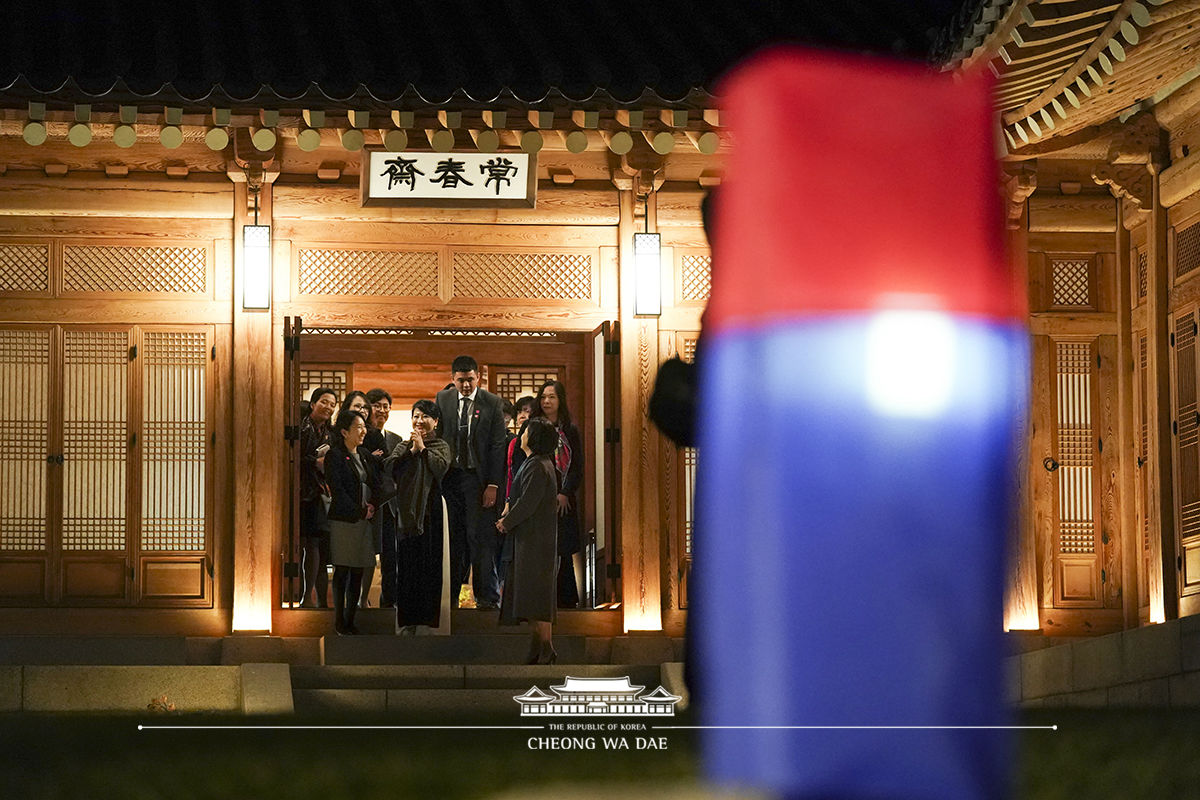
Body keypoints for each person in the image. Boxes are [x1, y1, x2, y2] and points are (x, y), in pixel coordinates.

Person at [436, 355, 507, 609]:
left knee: (479, 537)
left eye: (470, 380)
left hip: (478, 479)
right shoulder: (443, 399)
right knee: (453, 538)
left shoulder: (491, 402)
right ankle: (450, 597)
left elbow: (498, 446)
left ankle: (486, 597)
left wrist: (493, 484)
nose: (466, 385)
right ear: (452, 379)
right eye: (460, 380)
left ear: (479, 377)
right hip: (450, 478)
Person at [496, 417, 561, 664]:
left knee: (537, 595)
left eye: (527, 431)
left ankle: (546, 648)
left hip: (535, 540)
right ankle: (538, 647)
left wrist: (506, 521)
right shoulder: (539, 463)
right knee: (533, 595)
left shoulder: (537, 465)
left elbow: (528, 503)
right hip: (533, 538)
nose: (522, 434)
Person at [387, 399, 452, 634]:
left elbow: (440, 467)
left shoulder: (440, 445)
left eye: (425, 416)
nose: (419, 420)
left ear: (435, 421)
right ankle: (408, 622)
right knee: (407, 566)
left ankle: (429, 622)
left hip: (431, 510)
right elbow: (390, 468)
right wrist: (411, 451)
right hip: (406, 513)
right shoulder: (403, 446)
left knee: (430, 564)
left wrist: (423, 449)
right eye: (416, 416)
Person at [530, 379, 583, 608]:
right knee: (539, 551)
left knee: (563, 549)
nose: (547, 401)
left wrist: (565, 492)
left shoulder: (570, 430)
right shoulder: (532, 427)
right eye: (543, 397)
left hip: (563, 500)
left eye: (551, 396)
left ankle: (567, 602)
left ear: (560, 400)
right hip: (539, 498)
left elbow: (577, 466)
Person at [325, 409, 377, 635]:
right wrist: (359, 510)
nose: (363, 431)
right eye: (358, 427)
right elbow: (338, 490)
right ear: (345, 432)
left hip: (364, 520)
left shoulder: (364, 454)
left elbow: (375, 482)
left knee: (358, 570)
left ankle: (351, 619)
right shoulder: (334, 456)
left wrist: (372, 505)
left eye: (364, 426)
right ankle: (339, 620)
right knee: (343, 569)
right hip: (345, 519)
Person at [299, 387, 338, 608]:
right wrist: (315, 462)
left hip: (319, 495)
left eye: (332, 404)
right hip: (301, 493)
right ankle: (303, 596)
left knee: (315, 545)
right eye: (324, 402)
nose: (328, 407)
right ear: (313, 404)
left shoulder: (329, 433)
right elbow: (291, 457)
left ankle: (310, 598)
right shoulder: (303, 428)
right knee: (302, 545)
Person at [365, 388, 401, 608]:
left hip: (391, 505)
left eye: (385, 406)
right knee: (364, 554)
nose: (381, 410)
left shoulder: (396, 439)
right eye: (376, 405)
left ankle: (390, 602)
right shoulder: (360, 435)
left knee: (391, 556)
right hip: (368, 502)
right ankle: (361, 600)